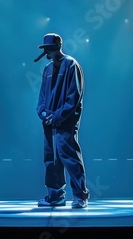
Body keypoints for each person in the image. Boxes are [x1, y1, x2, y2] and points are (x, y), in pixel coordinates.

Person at [35, 33, 89, 209]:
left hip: (65, 123)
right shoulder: (47, 70)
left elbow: (73, 97)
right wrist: (43, 113)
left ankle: (80, 196)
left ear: (57, 46)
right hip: (49, 124)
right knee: (51, 159)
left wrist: (58, 116)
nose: (48, 52)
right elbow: (42, 97)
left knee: (70, 158)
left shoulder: (71, 65)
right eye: (45, 49)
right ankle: (55, 196)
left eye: (49, 48)